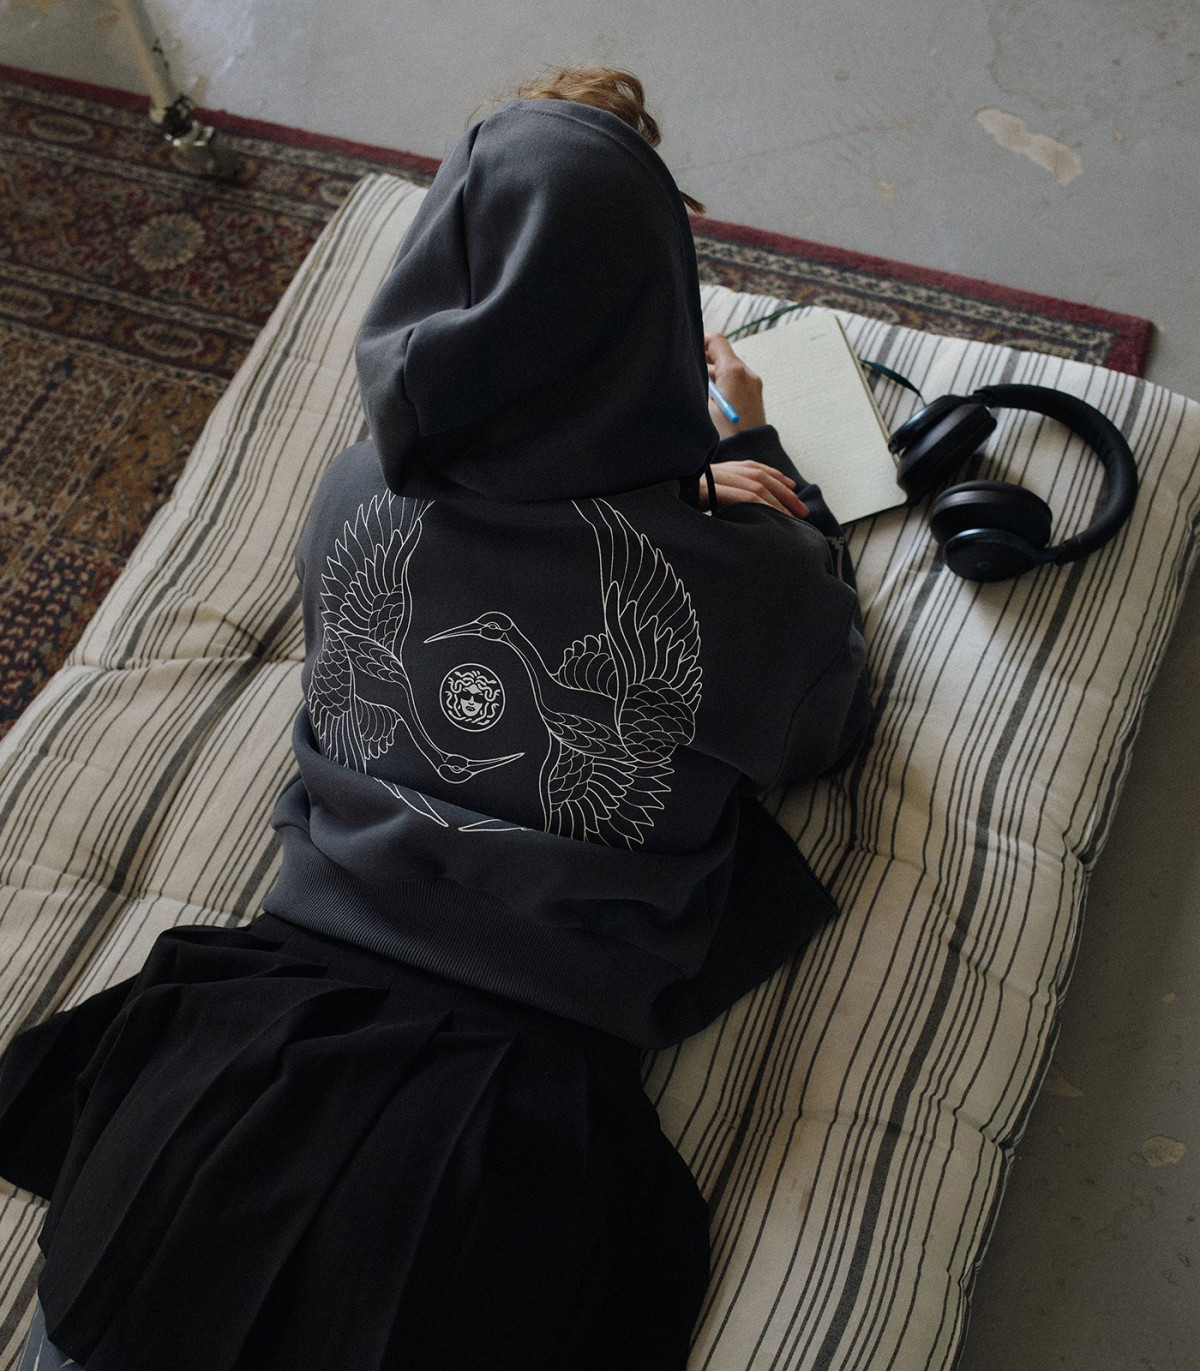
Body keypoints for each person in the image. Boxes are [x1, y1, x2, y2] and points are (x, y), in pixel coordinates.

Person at [0, 65, 870, 1370]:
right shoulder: (756, 583)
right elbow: (828, 731)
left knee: (116, 1315)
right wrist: (751, 460)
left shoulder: (353, 493)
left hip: (247, 1044)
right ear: (658, 296)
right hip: (518, 1094)